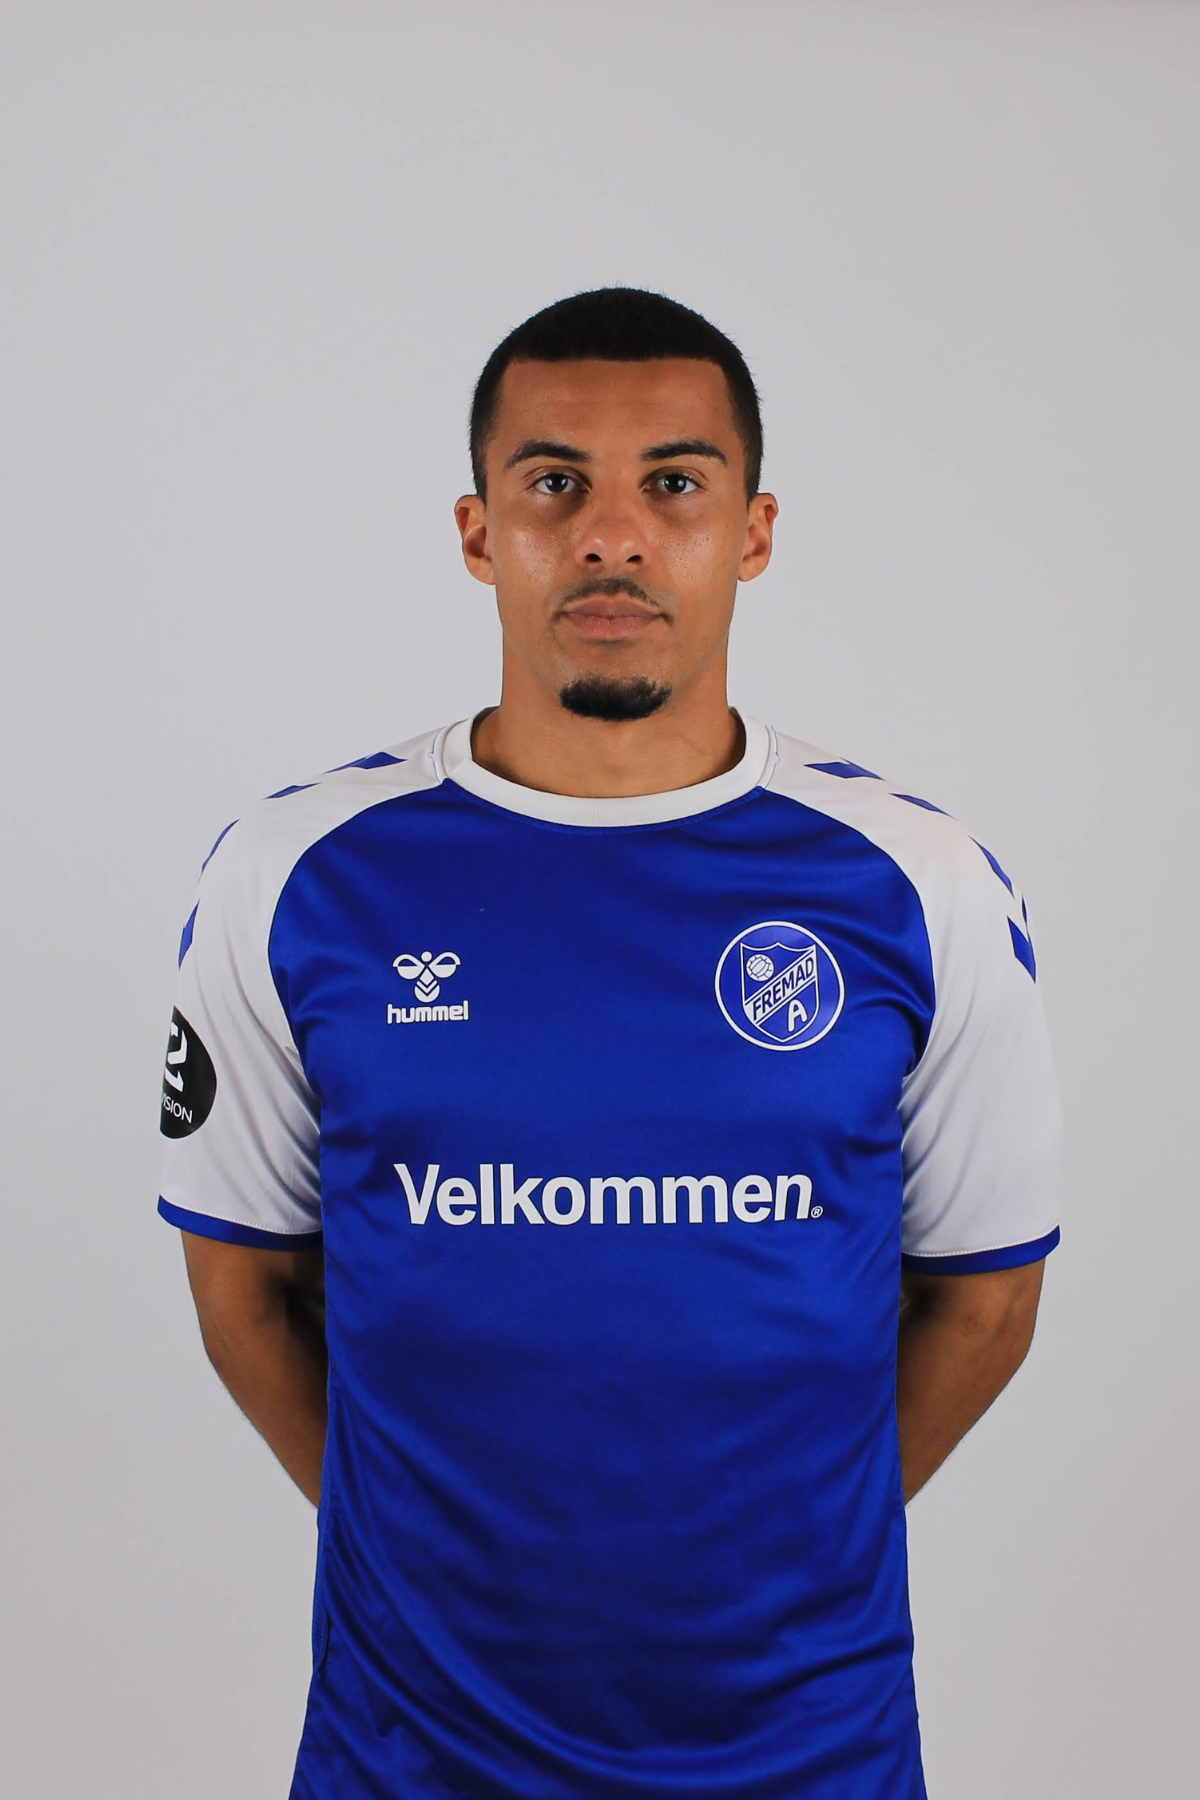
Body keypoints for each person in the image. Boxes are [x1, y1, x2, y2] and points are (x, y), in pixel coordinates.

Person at [157, 287, 1061, 1800]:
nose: (612, 537)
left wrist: (791, 1550)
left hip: (809, 1754)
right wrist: (418, 1564)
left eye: (675, 484)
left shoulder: (922, 884)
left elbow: (986, 1304)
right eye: (555, 483)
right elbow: (244, 1288)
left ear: (754, 532)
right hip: (411, 1756)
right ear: (478, 531)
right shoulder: (294, 874)